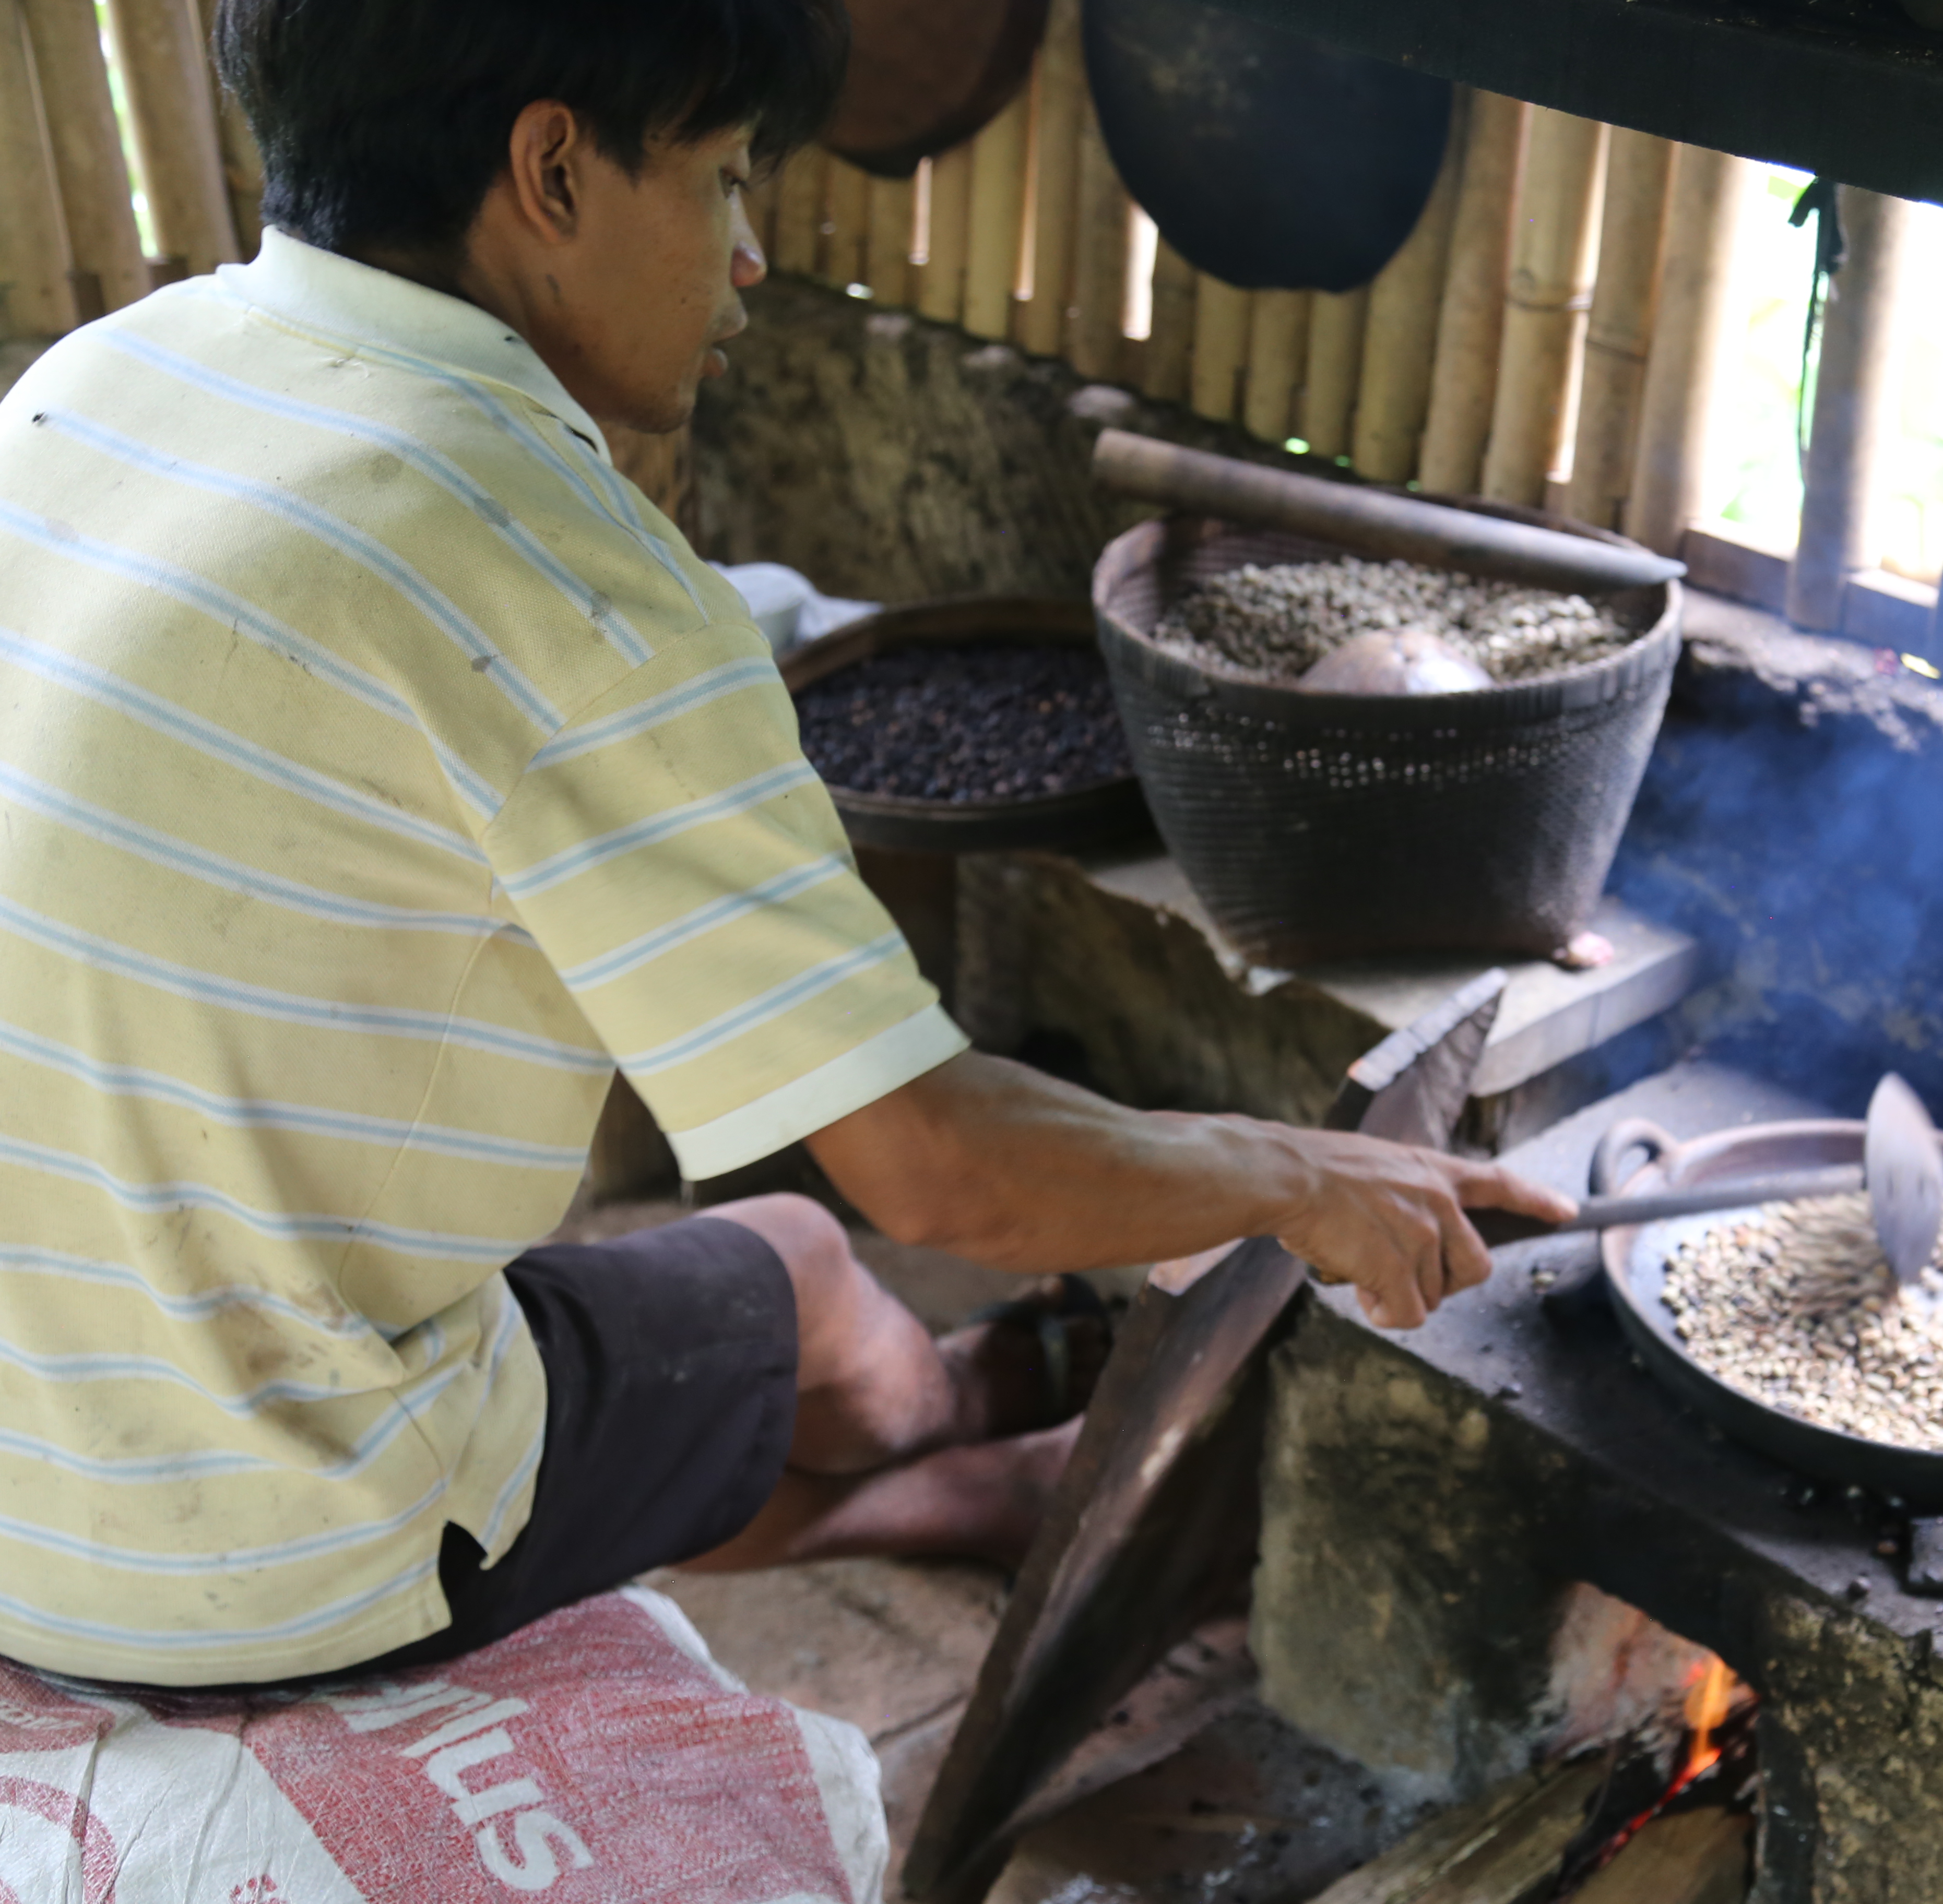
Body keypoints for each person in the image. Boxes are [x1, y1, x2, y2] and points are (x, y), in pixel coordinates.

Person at [0, 0, 1570, 1691]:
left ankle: (954, 1457)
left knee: (670, 1338)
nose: (749, 259)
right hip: (235, 1544)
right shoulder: (562, 574)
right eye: (728, 181)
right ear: (551, 171)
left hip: (35, 1431)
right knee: (809, 1255)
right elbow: (936, 1165)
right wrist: (1308, 1176)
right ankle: (965, 1454)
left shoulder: (100, 378)